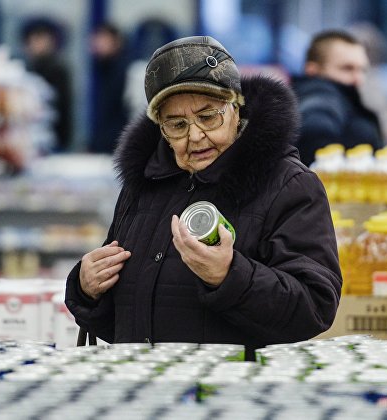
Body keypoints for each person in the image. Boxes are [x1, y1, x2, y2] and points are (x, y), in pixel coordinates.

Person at [65, 36, 342, 360]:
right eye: (177, 125)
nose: (195, 136)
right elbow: (124, 321)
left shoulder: (288, 185)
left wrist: (230, 276)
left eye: (208, 116)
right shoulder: (145, 183)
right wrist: (87, 288)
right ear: (161, 129)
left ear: (236, 108)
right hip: (146, 394)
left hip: (232, 399)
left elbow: (315, 308)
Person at [292, 29, 384, 165]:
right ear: (312, 70)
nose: (358, 78)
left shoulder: (343, 100)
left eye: (362, 70)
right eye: (347, 68)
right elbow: (314, 130)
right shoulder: (321, 92)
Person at [21, 17, 72, 152]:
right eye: (34, 40)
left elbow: (65, 108)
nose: (38, 44)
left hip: (54, 138)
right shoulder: (24, 69)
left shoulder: (59, 70)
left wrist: (64, 140)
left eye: (42, 39)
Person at [88, 22, 129, 154]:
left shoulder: (123, 71)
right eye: (96, 40)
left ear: (117, 42)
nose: (98, 45)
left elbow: (119, 115)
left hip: (116, 147)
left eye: (103, 40)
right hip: (104, 147)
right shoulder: (102, 70)